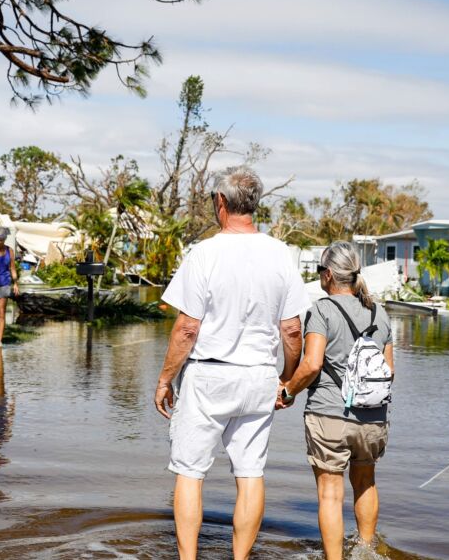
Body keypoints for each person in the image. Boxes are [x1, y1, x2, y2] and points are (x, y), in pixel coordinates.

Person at [153, 166, 308, 560]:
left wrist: (165, 379)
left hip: (209, 375)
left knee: (190, 472)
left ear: (220, 202)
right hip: (259, 377)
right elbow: (291, 331)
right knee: (250, 473)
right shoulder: (280, 254)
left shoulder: (204, 253)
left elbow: (187, 328)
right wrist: (285, 381)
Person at [277, 241, 395, 560]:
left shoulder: (322, 310)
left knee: (330, 494)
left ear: (328, 274)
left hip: (330, 415)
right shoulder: (379, 313)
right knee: (366, 483)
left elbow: (312, 363)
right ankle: (366, 552)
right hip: (373, 418)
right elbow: (390, 371)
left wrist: (288, 391)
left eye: (319, 271)